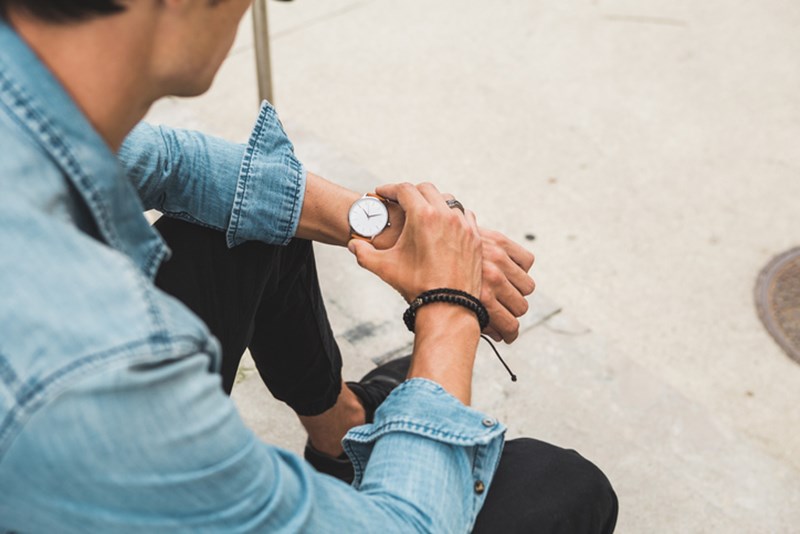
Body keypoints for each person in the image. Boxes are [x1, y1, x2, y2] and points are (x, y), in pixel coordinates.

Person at [0, 1, 618, 532]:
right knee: (562, 490)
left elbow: (169, 164)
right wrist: (450, 308)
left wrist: (374, 223)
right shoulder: (101, 374)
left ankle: (338, 435)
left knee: (245, 223)